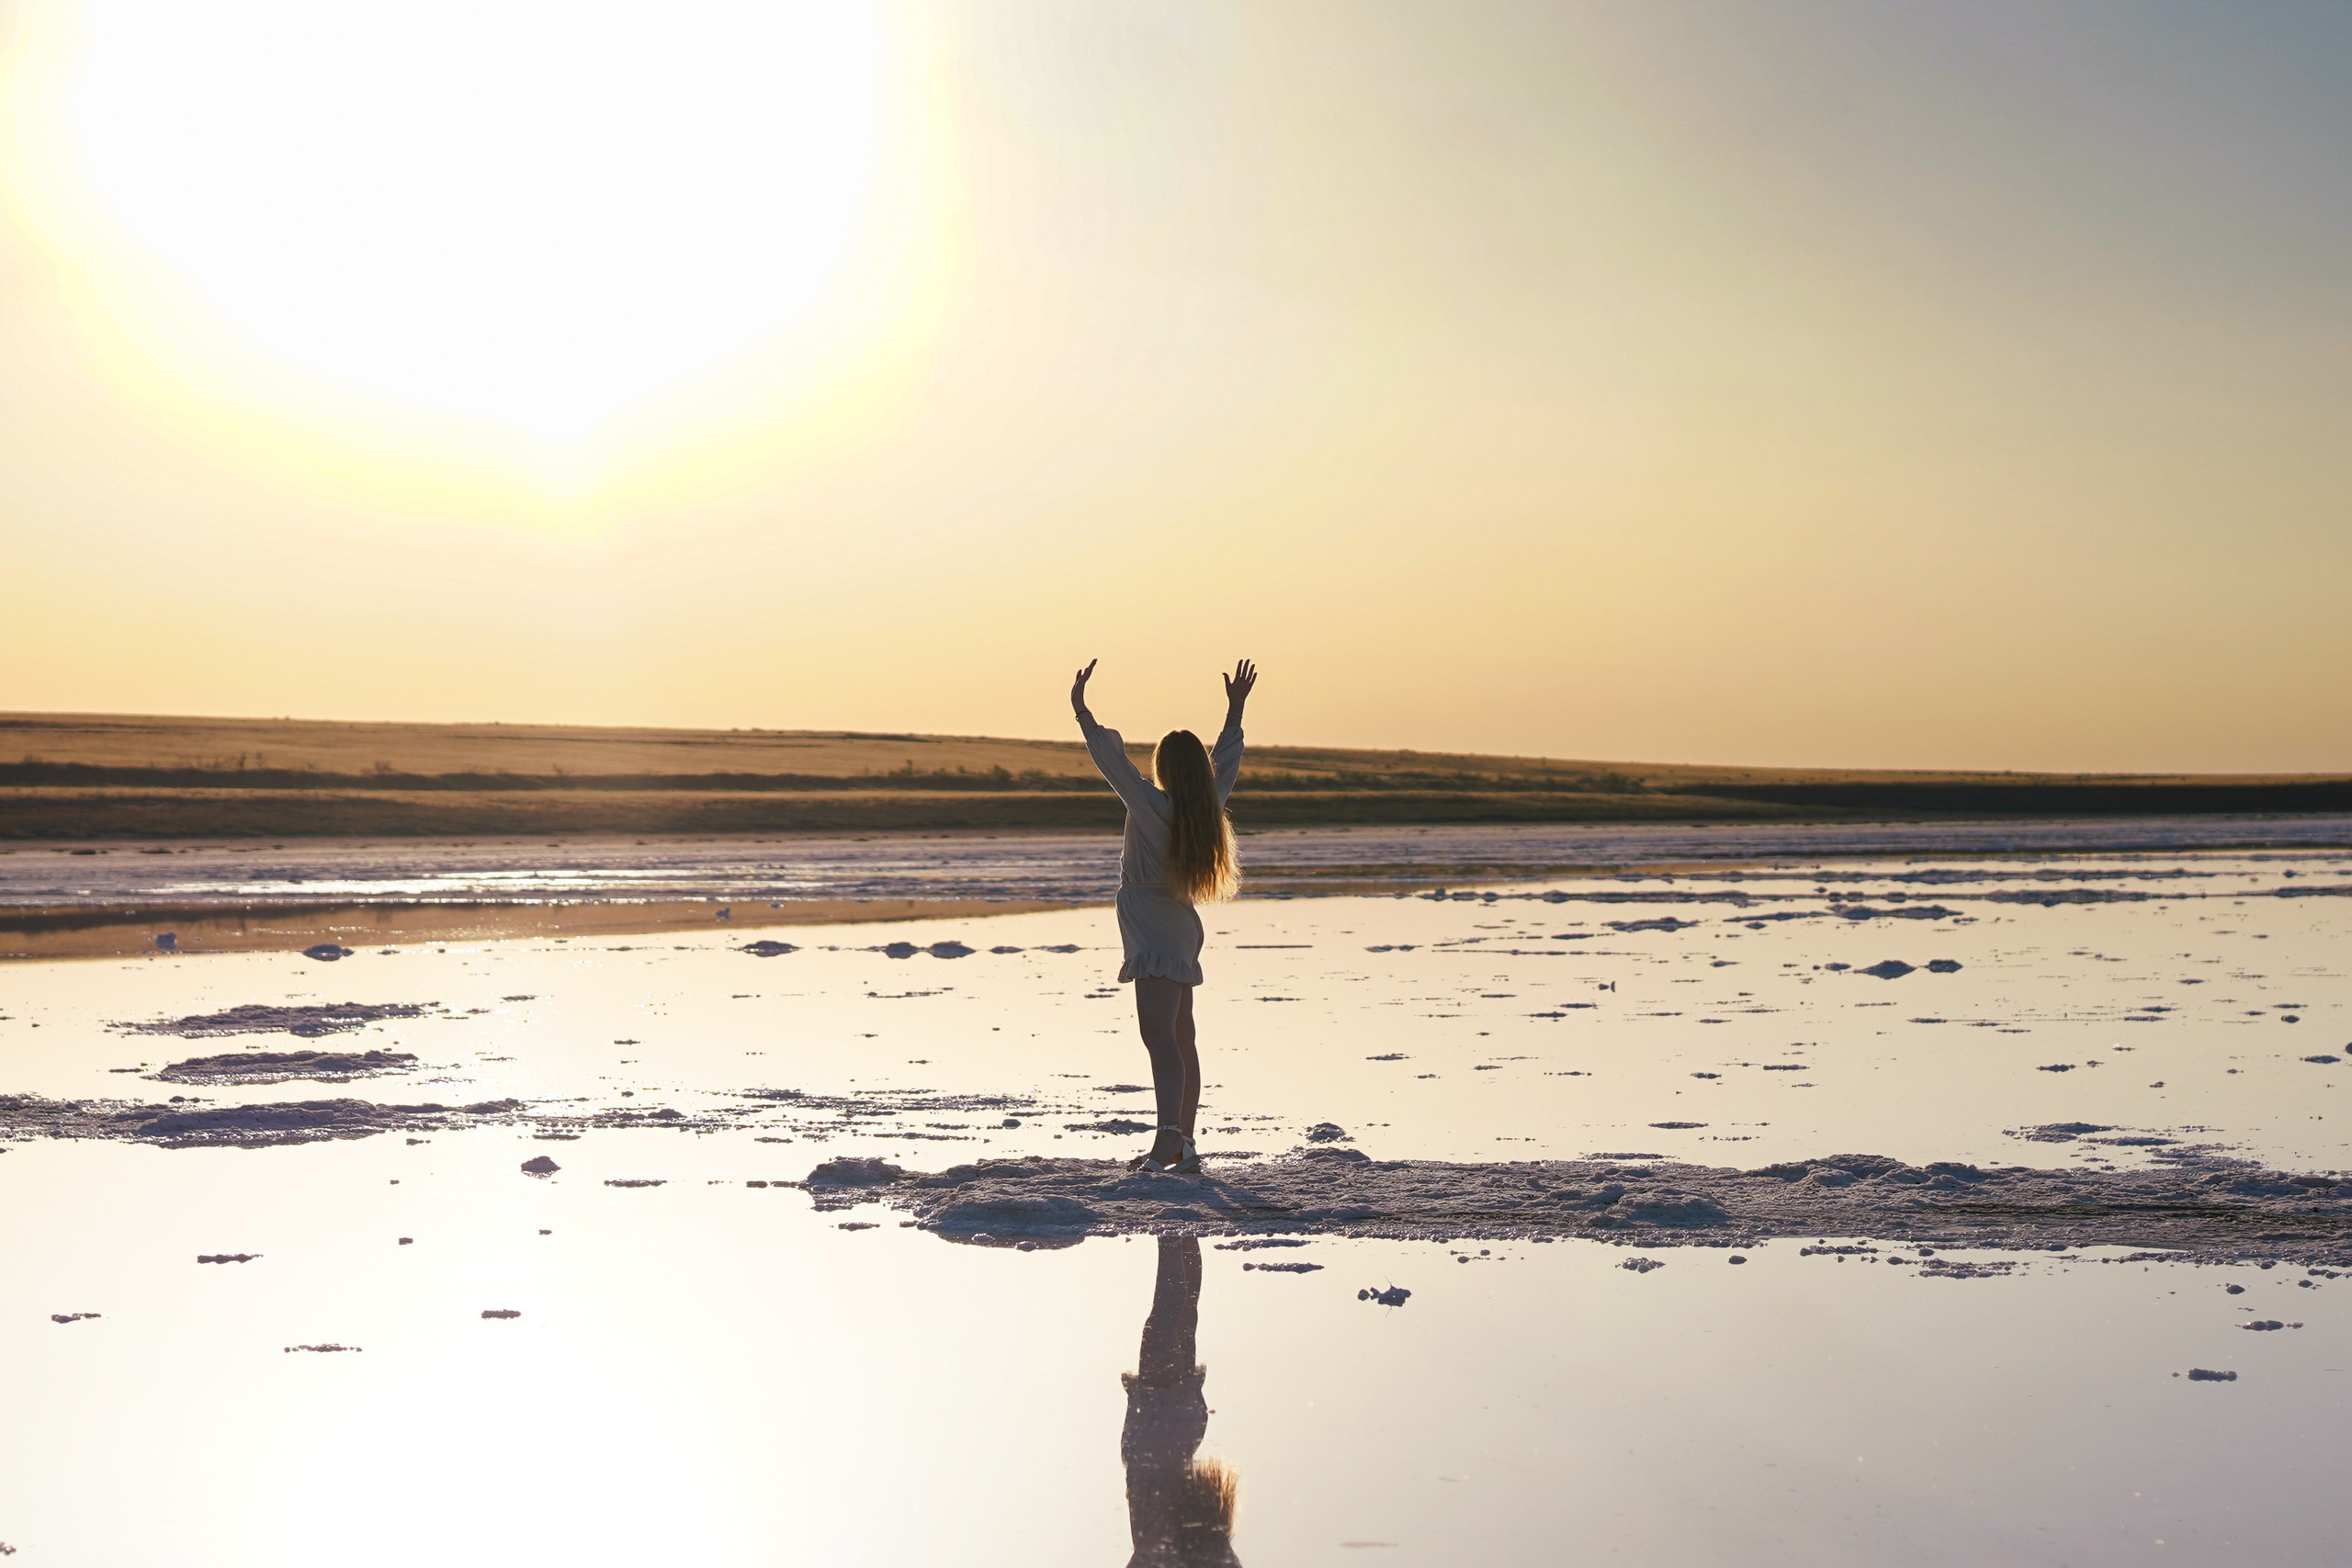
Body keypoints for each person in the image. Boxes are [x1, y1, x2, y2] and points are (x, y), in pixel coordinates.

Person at [1069, 657, 1256, 1172]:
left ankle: (1169, 1139)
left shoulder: (1152, 804)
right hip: (1177, 926)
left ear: (1165, 769)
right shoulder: (1206, 805)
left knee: (1160, 1039)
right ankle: (1184, 1141)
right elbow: (1228, 762)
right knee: (1179, 1039)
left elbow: (1112, 762)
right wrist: (1235, 712)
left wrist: (1082, 711)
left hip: (1155, 927)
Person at [1120, 1236, 1242, 1567]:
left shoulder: (1202, 1551)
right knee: (1164, 1319)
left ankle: (1187, 1232)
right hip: (1155, 1427)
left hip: (1186, 1426)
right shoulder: (1156, 1554)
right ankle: (1171, 1233)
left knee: (1186, 1319)